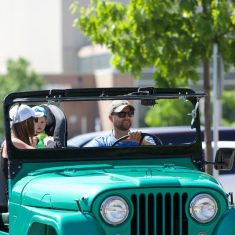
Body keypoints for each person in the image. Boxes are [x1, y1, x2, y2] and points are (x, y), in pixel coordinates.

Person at [85, 100, 155, 147]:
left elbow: (158, 156)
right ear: (110, 118)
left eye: (130, 114)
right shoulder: (102, 142)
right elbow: (82, 155)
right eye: (122, 114)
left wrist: (141, 141)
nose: (127, 117)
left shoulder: (144, 138)